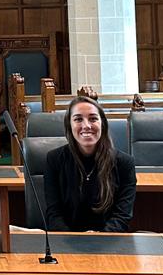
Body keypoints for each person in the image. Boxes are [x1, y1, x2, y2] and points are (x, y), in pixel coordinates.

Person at [39, 95, 136, 232]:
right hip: (66, 243)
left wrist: (100, 238)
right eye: (78, 119)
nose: (86, 126)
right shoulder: (54, 160)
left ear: (102, 123)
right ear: (69, 125)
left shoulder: (125, 163)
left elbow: (122, 216)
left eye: (93, 118)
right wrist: (72, 241)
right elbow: (54, 215)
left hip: (110, 242)